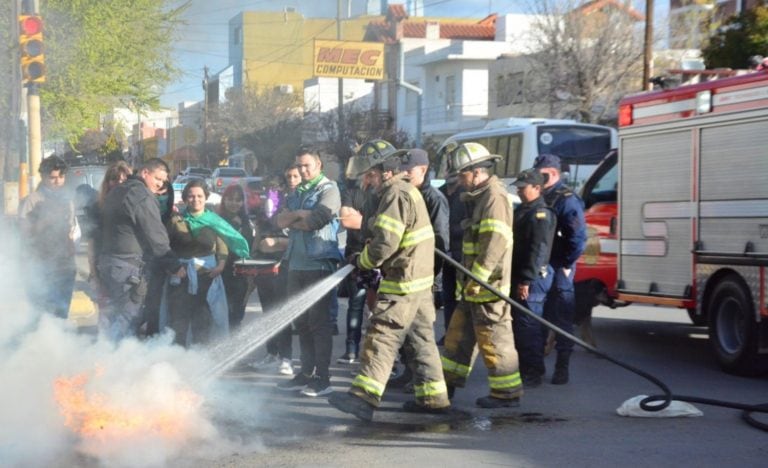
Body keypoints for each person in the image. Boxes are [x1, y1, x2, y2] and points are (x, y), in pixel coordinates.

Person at [328, 139, 450, 422]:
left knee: (381, 335)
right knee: (421, 341)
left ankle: (362, 399)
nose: (367, 181)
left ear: (386, 170)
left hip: (403, 282)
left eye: (370, 174)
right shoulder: (405, 190)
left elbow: (385, 243)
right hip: (418, 282)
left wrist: (363, 261)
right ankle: (434, 399)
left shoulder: (395, 194)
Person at [440, 142, 522, 408]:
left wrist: (478, 278)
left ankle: (506, 394)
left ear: (476, 172)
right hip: (473, 286)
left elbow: (494, 242)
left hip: (488, 287)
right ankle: (445, 386)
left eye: (463, 175)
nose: (460, 181)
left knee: (494, 340)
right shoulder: (479, 196)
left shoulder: (494, 198)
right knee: (457, 337)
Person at [275, 146, 342, 397]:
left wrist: (298, 218)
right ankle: (305, 373)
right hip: (295, 264)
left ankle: (323, 379)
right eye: (299, 165)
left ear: (318, 165)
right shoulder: (297, 192)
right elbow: (279, 221)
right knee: (301, 322)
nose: (302, 170)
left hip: (319, 265)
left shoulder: (329, 190)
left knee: (319, 324)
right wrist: (299, 214)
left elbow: (316, 221)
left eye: (307, 165)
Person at [97, 158, 185, 340]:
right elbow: (156, 236)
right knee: (128, 318)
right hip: (127, 267)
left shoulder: (117, 191)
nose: (160, 185)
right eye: (158, 179)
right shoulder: (141, 196)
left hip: (109, 263)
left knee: (113, 315)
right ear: (145, 173)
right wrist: (175, 266)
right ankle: (112, 361)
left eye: (163, 182)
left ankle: (106, 356)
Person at [389, 148, 450, 389]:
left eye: (408, 170)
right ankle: (410, 371)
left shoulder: (433, 198)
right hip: (407, 275)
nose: (404, 173)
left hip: (424, 277)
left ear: (423, 170)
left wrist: (432, 278)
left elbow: (440, 242)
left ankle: (424, 380)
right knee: (407, 331)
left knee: (420, 332)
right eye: (401, 169)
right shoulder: (406, 194)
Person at [533, 153, 587, 385]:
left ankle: (562, 367)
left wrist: (566, 264)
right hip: (542, 264)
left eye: (541, 174)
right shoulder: (541, 195)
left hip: (559, 265)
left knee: (562, 318)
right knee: (538, 317)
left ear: (553, 174)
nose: (537, 178)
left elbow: (577, 237)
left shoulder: (567, 199)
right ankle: (536, 366)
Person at [166, 179, 234, 346]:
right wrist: (172, 268)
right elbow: (165, 246)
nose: (195, 199)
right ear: (184, 198)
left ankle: (199, 362)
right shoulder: (176, 220)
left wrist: (221, 265)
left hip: (207, 278)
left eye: (199, 196)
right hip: (181, 279)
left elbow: (222, 245)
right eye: (191, 196)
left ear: (206, 197)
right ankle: (177, 363)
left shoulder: (214, 220)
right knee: (178, 323)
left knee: (202, 322)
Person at [250, 165, 300, 376]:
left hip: (283, 265)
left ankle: (286, 358)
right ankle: (272, 353)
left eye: (293, 176)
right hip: (263, 265)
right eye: (268, 188)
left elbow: (297, 239)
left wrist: (277, 243)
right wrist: (252, 256)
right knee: (268, 311)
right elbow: (259, 232)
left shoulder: (293, 204)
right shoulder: (265, 207)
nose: (272, 190)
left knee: (282, 312)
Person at [510, 169, 556, 388]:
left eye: (523, 187)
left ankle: (533, 372)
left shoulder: (540, 214)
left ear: (537, 188)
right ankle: (523, 368)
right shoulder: (524, 209)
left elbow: (538, 250)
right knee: (520, 326)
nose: (519, 191)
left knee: (529, 327)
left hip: (532, 278)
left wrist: (526, 280)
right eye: (518, 188)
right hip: (521, 275)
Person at [18, 155, 77, 318]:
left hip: (64, 266)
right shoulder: (31, 201)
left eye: (61, 177)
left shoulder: (67, 201)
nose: (57, 181)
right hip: (41, 266)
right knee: (41, 315)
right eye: (52, 178)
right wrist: (46, 221)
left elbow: (70, 231)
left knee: (61, 314)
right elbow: (25, 236)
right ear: (43, 177)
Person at [335, 175, 373, 365]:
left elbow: (384, 227)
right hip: (354, 256)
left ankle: (381, 357)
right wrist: (369, 221)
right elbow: (346, 220)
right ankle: (351, 351)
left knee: (378, 309)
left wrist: (361, 218)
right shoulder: (351, 193)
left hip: (378, 258)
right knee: (355, 305)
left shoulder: (382, 195)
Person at [218, 183, 255, 331]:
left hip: (241, 276)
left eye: (238, 200)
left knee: (236, 316)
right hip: (220, 273)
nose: (234, 203)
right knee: (220, 314)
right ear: (224, 200)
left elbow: (250, 250)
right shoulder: (217, 221)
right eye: (230, 199)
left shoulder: (246, 223)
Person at [439, 174, 467, 343]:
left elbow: (467, 225)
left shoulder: (465, 194)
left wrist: (449, 231)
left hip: (461, 255)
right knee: (448, 297)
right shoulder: (440, 192)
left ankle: (460, 336)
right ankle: (449, 334)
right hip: (445, 254)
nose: (449, 173)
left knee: (461, 299)